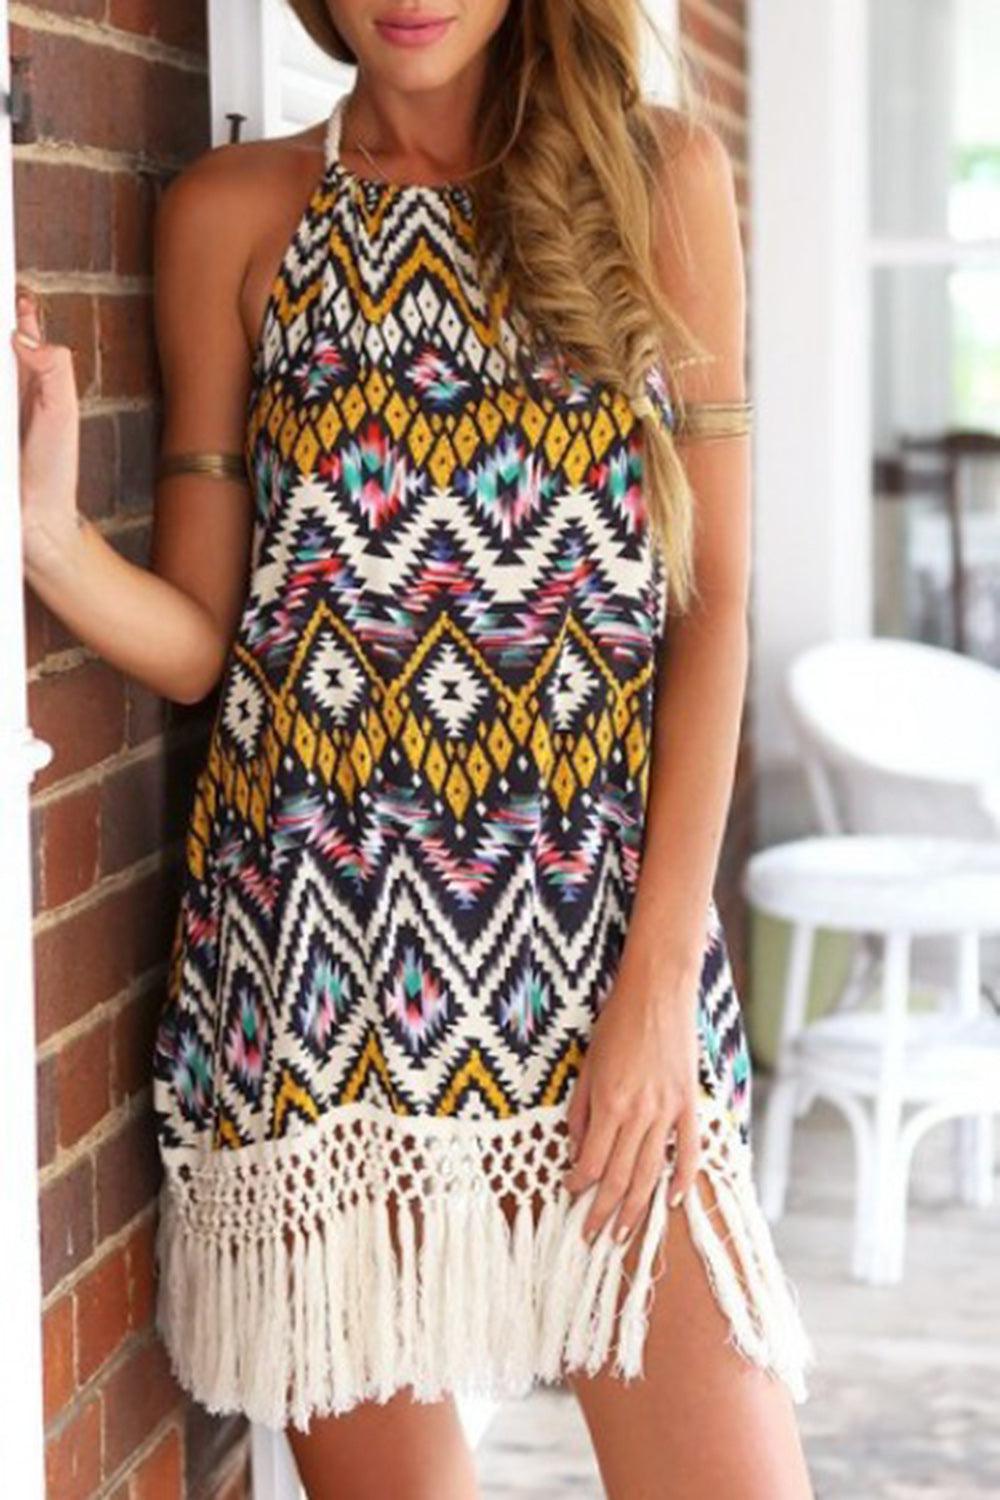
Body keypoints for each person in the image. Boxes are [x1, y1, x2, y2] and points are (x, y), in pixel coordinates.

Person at [13, 2, 816, 1495]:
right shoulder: (234, 215)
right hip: (325, 971)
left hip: (598, 940)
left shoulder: (664, 176)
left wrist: (656, 981)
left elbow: (710, 615)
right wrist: (50, 540)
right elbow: (206, 629)